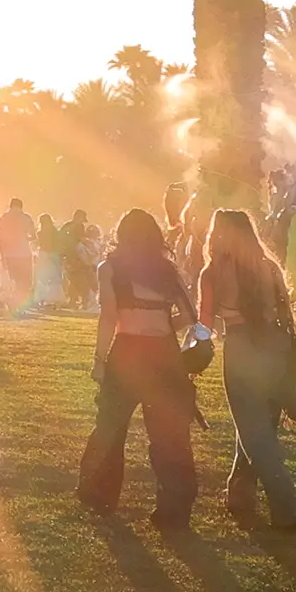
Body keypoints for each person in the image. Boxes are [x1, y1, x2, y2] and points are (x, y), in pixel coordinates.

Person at [77, 208, 200, 527]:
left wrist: (99, 361)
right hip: (164, 354)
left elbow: (108, 317)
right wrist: (161, 324)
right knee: (169, 433)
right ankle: (175, 509)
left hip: (127, 352)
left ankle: (98, 494)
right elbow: (190, 315)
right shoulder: (167, 271)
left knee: (111, 425)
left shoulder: (110, 268)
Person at [195, 206, 296, 531]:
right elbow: (287, 315)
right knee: (259, 427)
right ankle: (239, 492)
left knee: (254, 433)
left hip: (241, 347)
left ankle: (289, 506)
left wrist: (189, 349)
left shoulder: (213, 272)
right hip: (276, 346)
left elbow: (205, 325)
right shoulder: (269, 267)